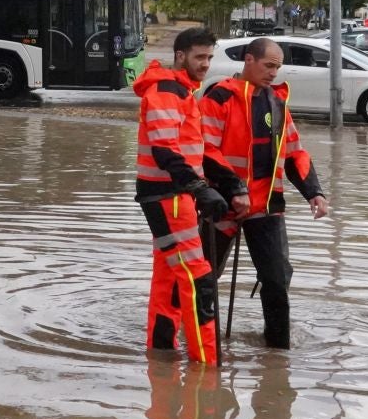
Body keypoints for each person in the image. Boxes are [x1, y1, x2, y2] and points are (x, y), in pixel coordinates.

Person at [200, 39, 329, 349]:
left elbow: (295, 153)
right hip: (221, 204)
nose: (274, 73)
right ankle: (195, 341)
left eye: (277, 67)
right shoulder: (219, 98)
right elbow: (205, 148)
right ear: (248, 60)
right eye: (268, 66)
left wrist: (314, 192)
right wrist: (235, 189)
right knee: (202, 279)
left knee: (276, 280)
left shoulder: (277, 102)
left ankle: (277, 353)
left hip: (266, 206)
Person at [131, 27, 230, 361]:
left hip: (173, 195)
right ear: (180, 56)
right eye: (199, 57)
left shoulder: (181, 91)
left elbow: (187, 150)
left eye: (209, 57)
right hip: (169, 197)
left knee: (170, 278)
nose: (205, 64)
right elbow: (165, 149)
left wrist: (219, 185)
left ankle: (161, 356)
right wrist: (200, 190)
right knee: (197, 275)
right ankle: (207, 366)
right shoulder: (167, 90)